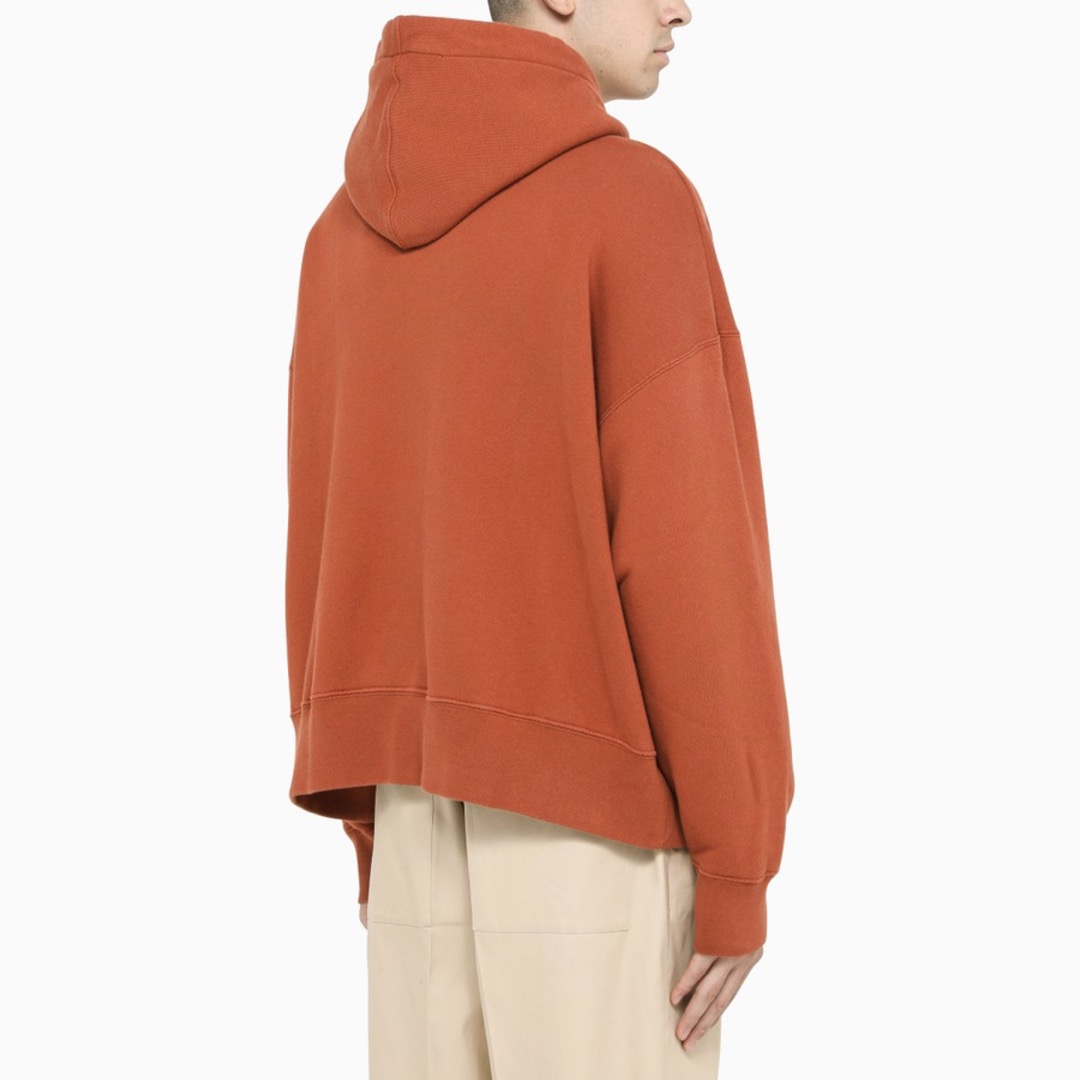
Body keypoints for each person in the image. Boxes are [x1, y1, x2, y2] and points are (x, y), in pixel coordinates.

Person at [285, 3, 795, 1075]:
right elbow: (691, 554)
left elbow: (327, 546)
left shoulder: (337, 237)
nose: (681, 8)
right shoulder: (631, 202)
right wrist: (737, 860)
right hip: (594, 841)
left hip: (413, 823)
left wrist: (374, 826)